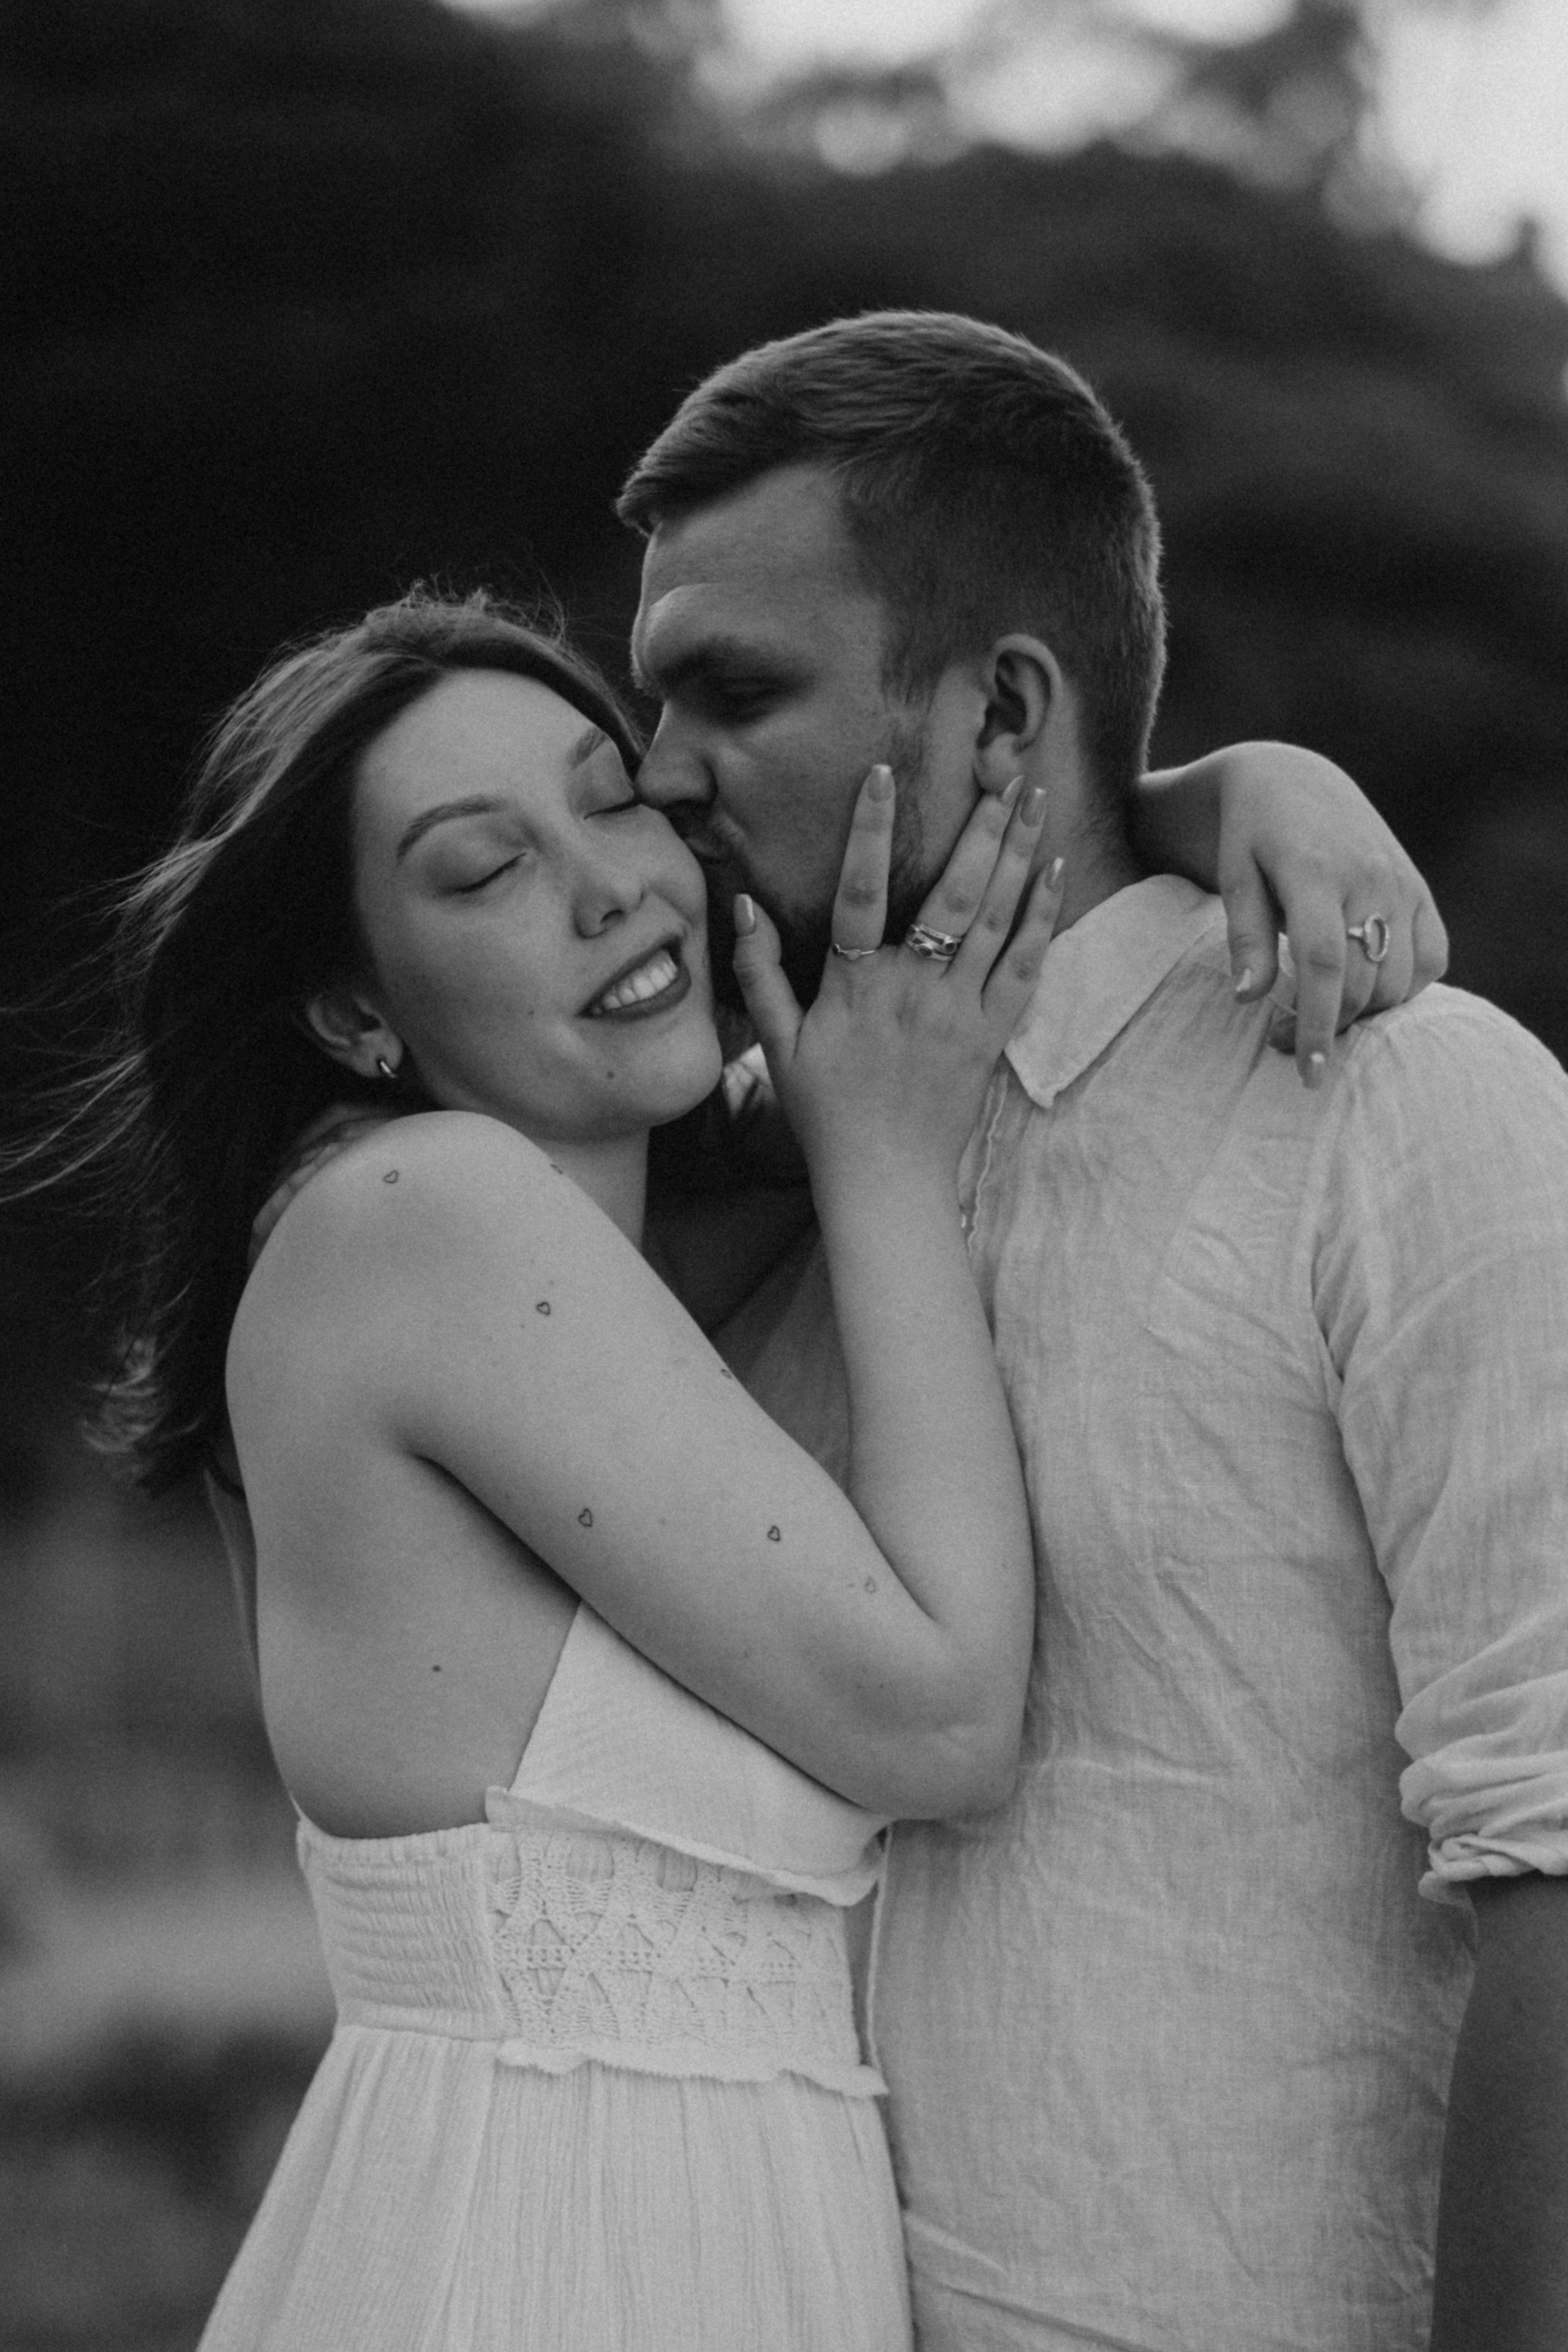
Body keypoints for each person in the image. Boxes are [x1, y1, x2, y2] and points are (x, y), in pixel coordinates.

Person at [615, 309, 1568, 2352]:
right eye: (651, 700)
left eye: (734, 689)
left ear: (1004, 707)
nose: (658, 771)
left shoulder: (1400, 1107)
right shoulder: (759, 1159)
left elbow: (1559, 1847)